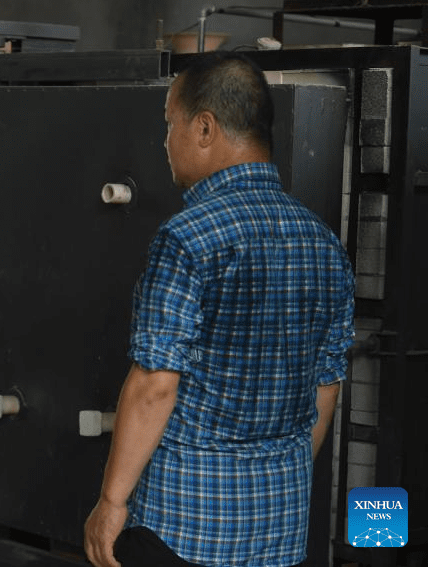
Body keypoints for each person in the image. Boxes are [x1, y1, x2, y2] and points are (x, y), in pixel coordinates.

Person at [83, 53, 355, 567]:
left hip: (183, 529)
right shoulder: (324, 244)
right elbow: (326, 384)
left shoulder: (188, 238)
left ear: (204, 127)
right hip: (281, 529)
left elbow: (156, 383)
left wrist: (112, 502)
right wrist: (275, 476)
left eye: (170, 124)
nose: (165, 142)